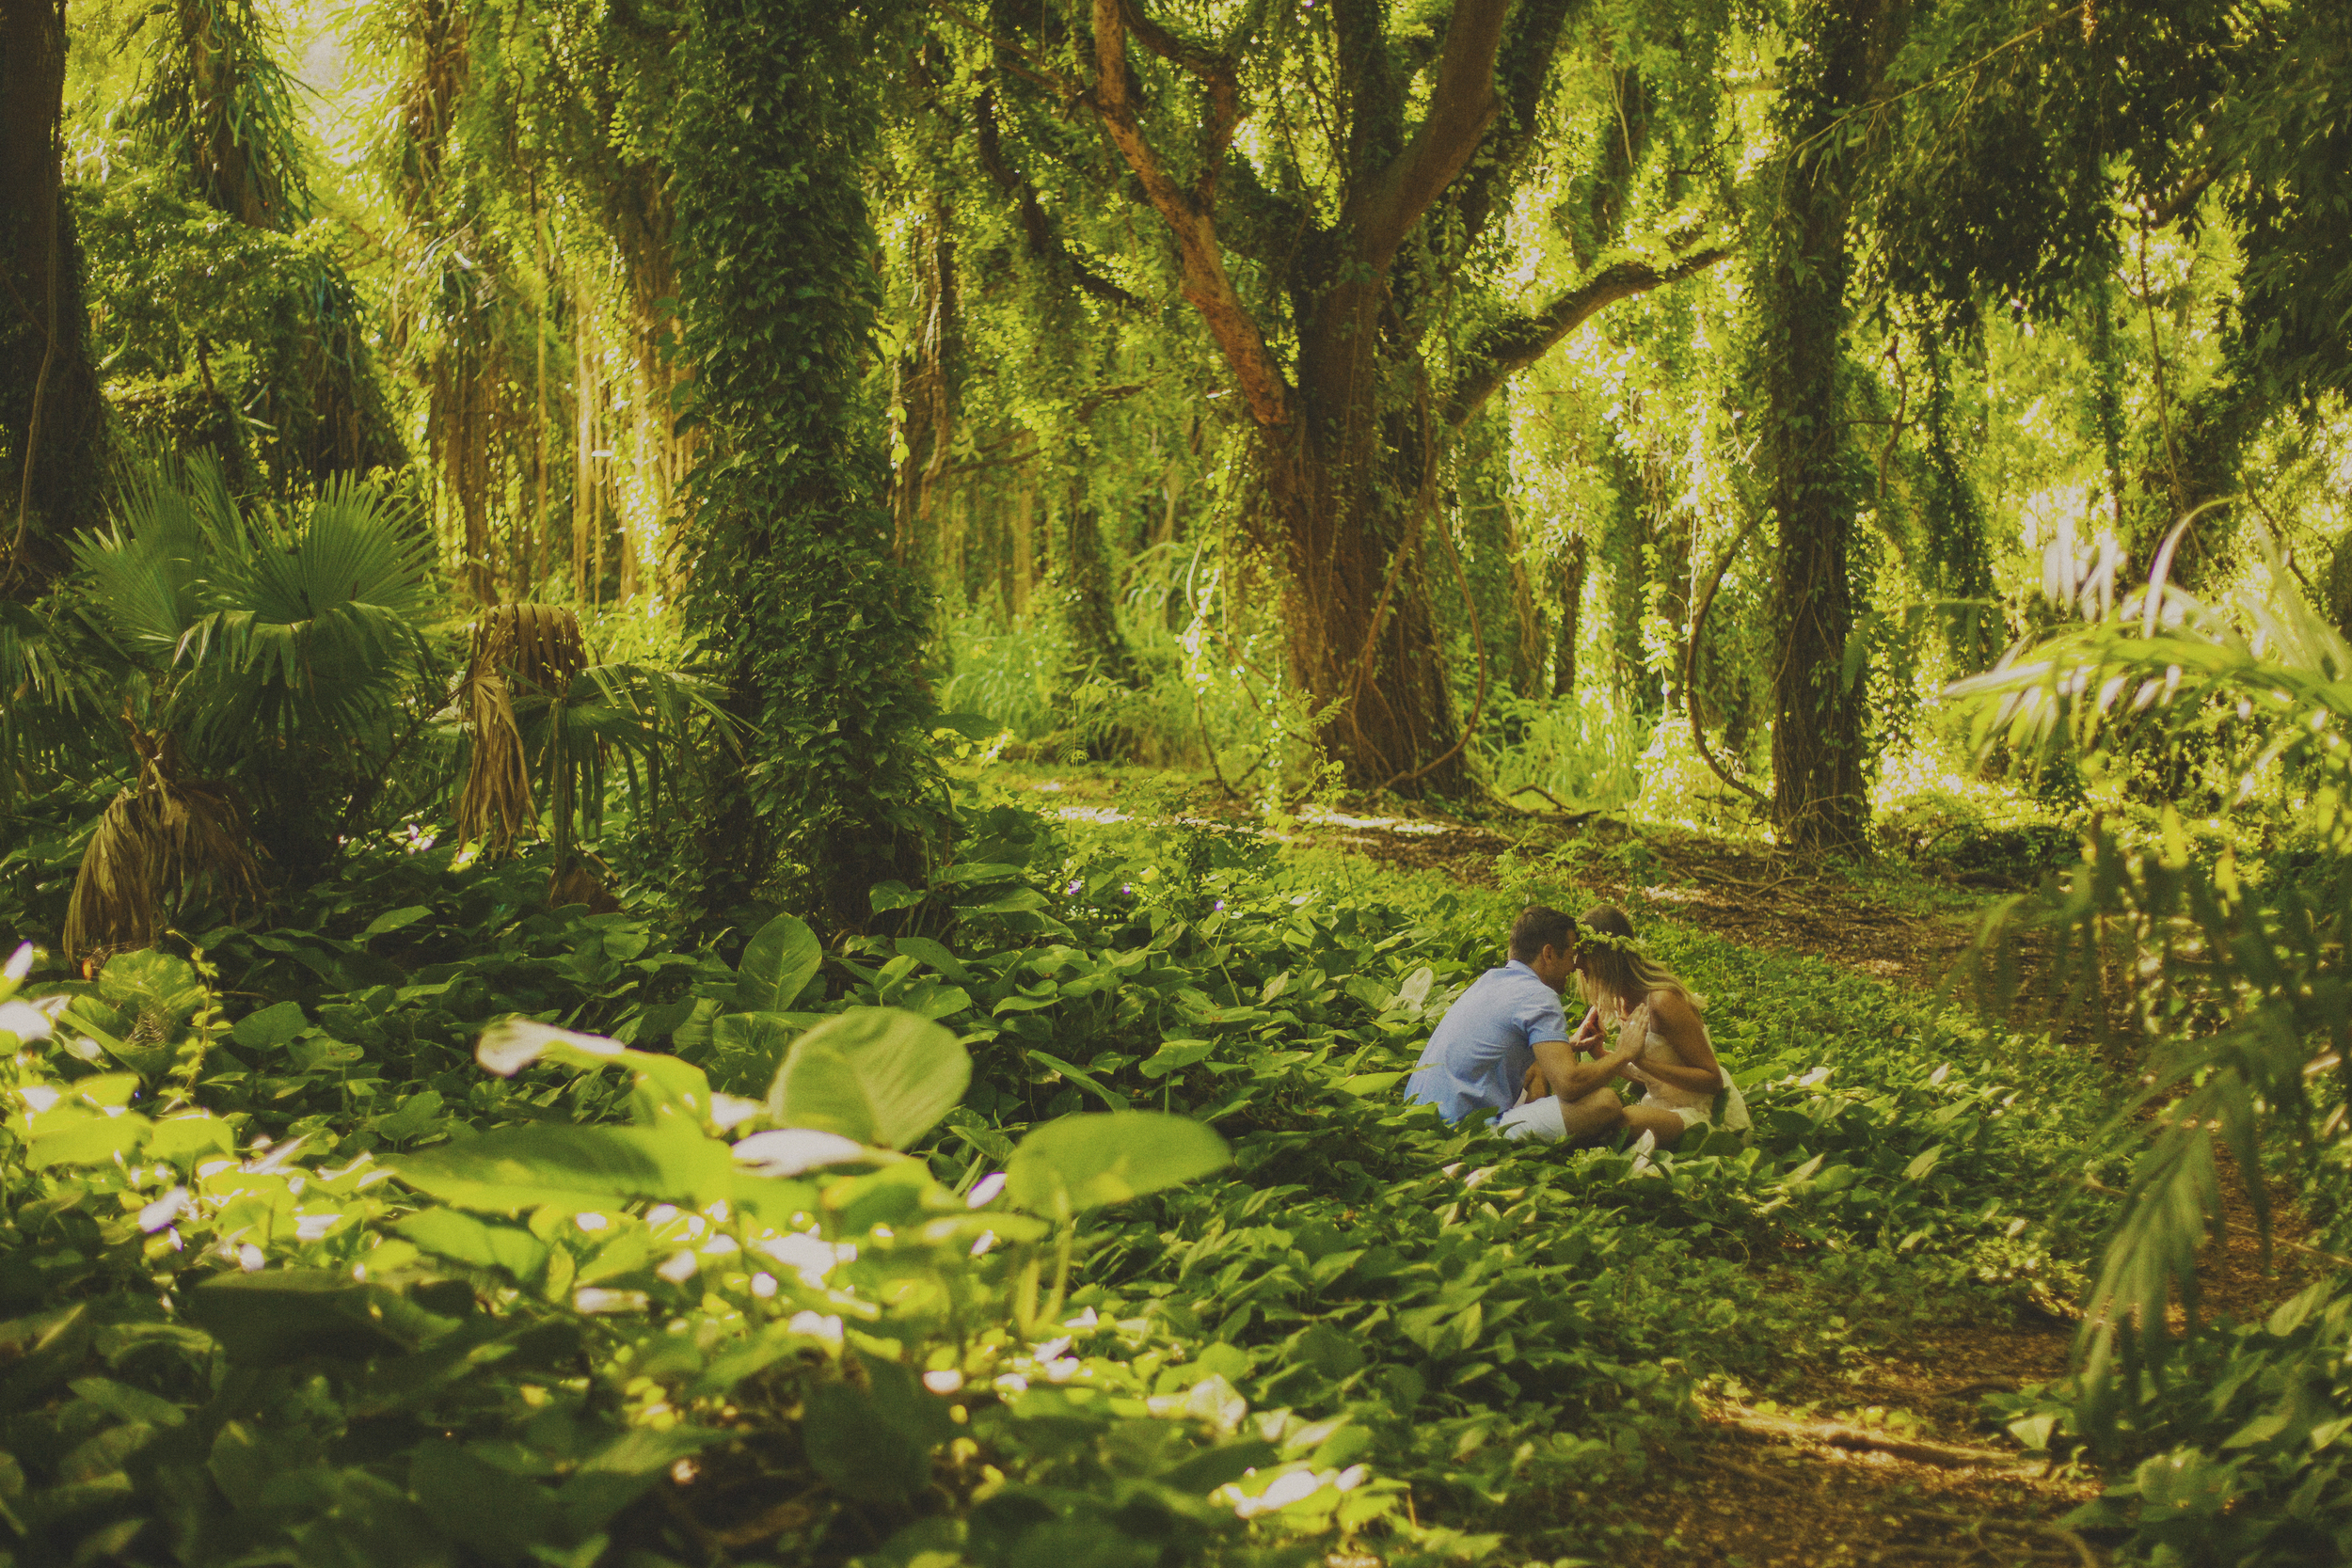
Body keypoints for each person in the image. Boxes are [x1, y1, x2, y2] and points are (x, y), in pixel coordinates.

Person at [1495, 903, 1751, 1148]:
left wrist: (1638, 1059)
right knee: (1589, 1108)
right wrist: (1601, 1055)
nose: (1576, 964)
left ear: (1605, 956)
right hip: (1661, 1106)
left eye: (1582, 954)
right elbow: (1646, 1075)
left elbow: (1712, 1080)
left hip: (1708, 1112)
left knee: (1621, 1121)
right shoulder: (1617, 1001)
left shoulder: (1662, 1001)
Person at [1402, 906, 1581, 1126]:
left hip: (1416, 1118)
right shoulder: (1538, 995)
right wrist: (1622, 1055)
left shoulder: (1490, 981)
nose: (1574, 967)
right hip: (1459, 1130)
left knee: (1538, 1068)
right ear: (1549, 954)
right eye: (1572, 956)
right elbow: (1569, 1084)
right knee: (1605, 1104)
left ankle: (1538, 1143)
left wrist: (1566, 1045)